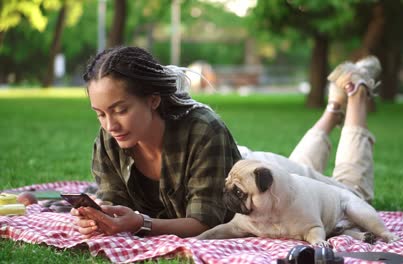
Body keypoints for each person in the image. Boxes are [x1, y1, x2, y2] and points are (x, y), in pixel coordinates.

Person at [72, 46, 380, 239]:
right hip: (265, 184)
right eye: (99, 114)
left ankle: (356, 95)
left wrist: (141, 223)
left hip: (257, 176)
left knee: (351, 195)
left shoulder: (204, 130)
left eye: (120, 110)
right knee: (304, 180)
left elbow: (205, 223)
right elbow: (112, 198)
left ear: (153, 100)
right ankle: (333, 106)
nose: (110, 124)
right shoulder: (111, 139)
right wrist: (100, 216)